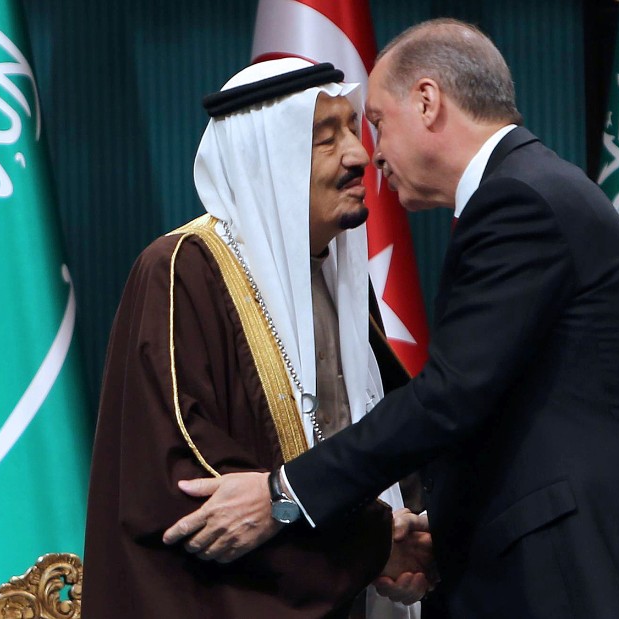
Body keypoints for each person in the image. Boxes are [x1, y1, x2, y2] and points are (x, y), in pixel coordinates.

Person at [162, 18, 619, 618]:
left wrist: (282, 493)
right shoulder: (531, 188)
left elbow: (449, 399)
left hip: (586, 578)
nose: (368, 155)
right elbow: (502, 416)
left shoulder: (519, 201)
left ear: (427, 102)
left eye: (376, 123)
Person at [82, 57, 432, 619]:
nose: (359, 156)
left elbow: (384, 431)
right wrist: (374, 544)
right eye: (326, 138)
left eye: (353, 130)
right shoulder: (181, 270)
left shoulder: (340, 272)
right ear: (267, 160)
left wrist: (414, 537)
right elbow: (192, 490)